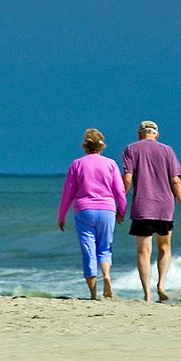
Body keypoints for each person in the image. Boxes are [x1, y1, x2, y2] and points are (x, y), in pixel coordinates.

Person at [122, 120, 181, 302]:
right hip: (164, 207)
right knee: (165, 247)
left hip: (142, 207)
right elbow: (176, 181)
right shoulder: (168, 150)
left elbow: (128, 178)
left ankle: (147, 294)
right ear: (157, 135)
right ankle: (161, 284)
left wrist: (120, 201)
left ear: (139, 134)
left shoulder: (131, 149)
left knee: (144, 252)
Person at [58, 128, 127, 300]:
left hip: (84, 210)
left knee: (89, 250)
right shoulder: (110, 164)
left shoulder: (77, 164)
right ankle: (107, 276)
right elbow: (119, 191)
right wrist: (122, 210)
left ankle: (93, 295)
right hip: (107, 209)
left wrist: (61, 215)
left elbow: (68, 192)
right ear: (101, 146)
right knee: (105, 247)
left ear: (85, 146)